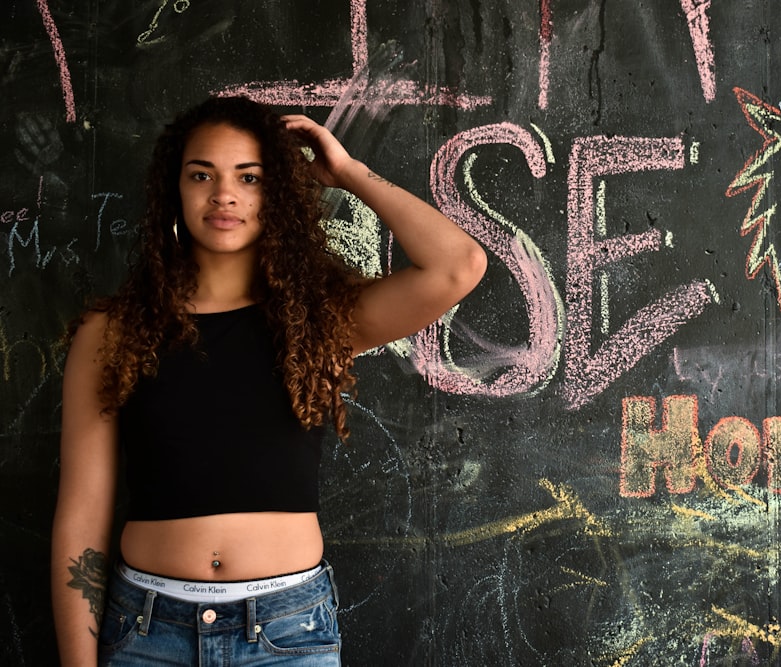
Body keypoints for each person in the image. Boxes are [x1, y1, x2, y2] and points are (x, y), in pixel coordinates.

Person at [50, 95, 487, 666]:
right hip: (147, 632)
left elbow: (458, 266)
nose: (223, 194)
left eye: (249, 177)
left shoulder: (319, 319)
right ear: (173, 190)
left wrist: (348, 174)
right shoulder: (112, 332)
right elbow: (82, 514)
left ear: (276, 193)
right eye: (201, 174)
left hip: (285, 633)